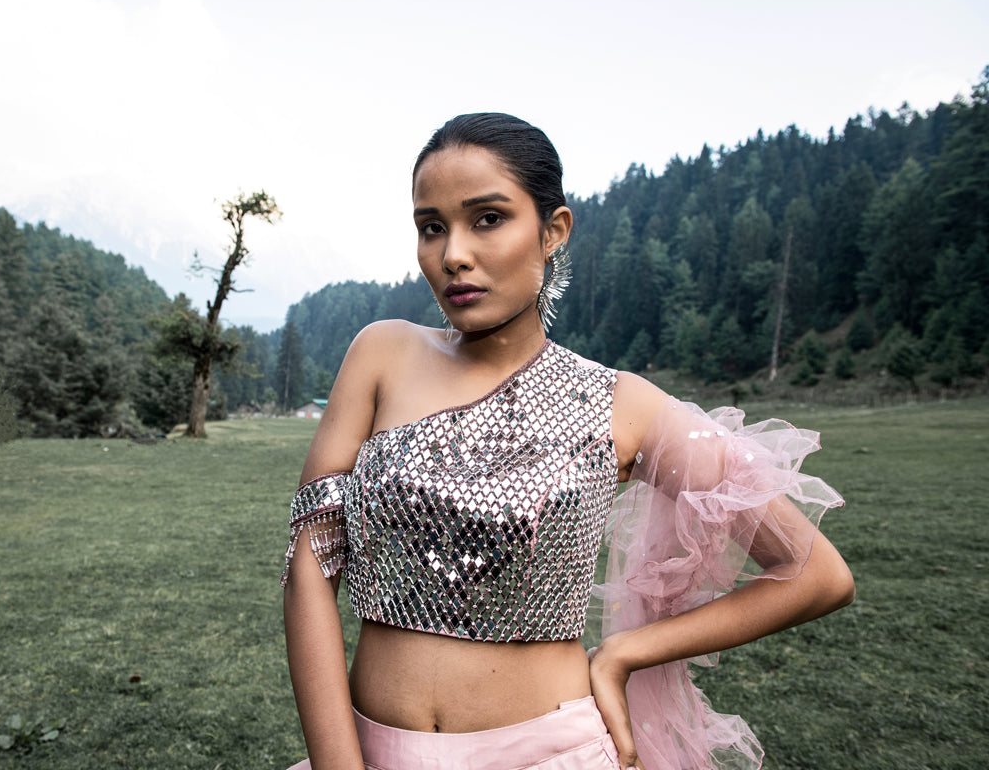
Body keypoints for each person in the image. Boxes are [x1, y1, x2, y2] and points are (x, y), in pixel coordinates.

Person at [281, 113, 854, 770]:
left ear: (553, 230)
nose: (453, 254)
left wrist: (626, 652)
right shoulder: (380, 354)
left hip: (550, 752)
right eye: (431, 227)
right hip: (366, 750)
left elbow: (816, 574)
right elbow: (309, 565)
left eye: (487, 218)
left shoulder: (622, 404)